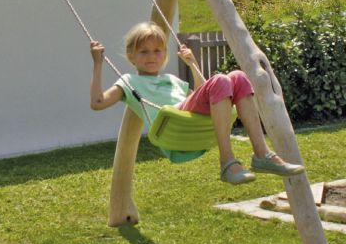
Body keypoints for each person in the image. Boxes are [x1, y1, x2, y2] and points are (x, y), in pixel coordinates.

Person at [89, 21, 305, 184]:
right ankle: (227, 161)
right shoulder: (129, 81)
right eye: (143, 51)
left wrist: (192, 64)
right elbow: (97, 103)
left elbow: (204, 94)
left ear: (164, 54)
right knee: (221, 80)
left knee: (238, 77)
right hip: (172, 126)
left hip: (191, 121)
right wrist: (98, 64)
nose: (151, 56)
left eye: (157, 51)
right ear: (131, 56)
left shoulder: (172, 80)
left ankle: (262, 154)